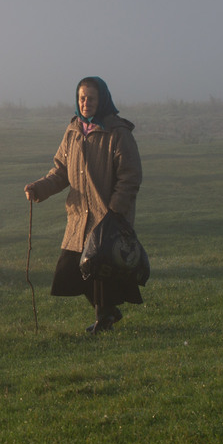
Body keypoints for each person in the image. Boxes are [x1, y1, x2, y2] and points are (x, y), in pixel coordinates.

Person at [24, 77, 143, 333]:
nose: (85, 103)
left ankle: (104, 319)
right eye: (81, 98)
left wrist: (115, 210)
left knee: (101, 271)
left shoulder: (117, 133)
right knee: (70, 268)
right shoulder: (73, 131)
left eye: (90, 98)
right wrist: (38, 189)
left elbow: (130, 176)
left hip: (107, 215)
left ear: (102, 100)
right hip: (79, 216)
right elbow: (61, 171)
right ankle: (108, 312)